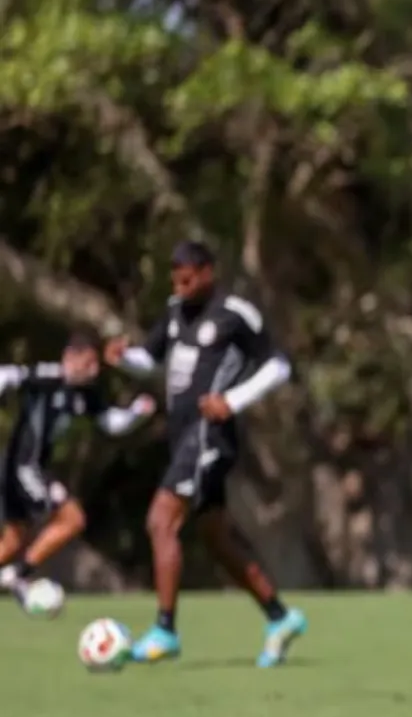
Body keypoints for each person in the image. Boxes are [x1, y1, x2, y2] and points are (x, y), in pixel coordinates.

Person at [105, 241, 308, 667]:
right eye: (175, 279)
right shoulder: (176, 310)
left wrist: (231, 401)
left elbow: (278, 367)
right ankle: (280, 617)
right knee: (216, 539)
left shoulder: (235, 313)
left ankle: (164, 630)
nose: (180, 286)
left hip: (209, 435)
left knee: (161, 520)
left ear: (208, 272)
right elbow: (151, 358)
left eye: (188, 278)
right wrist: (124, 358)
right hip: (182, 437)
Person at [0, 331, 155, 605]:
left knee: (13, 541)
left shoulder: (86, 393)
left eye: (96, 364)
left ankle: (16, 572)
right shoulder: (49, 376)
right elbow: (8, 375)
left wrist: (135, 412)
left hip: (27, 469)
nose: (94, 370)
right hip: (23, 466)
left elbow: (110, 423)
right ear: (70, 358)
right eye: (89, 363)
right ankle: (18, 575)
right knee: (73, 519)